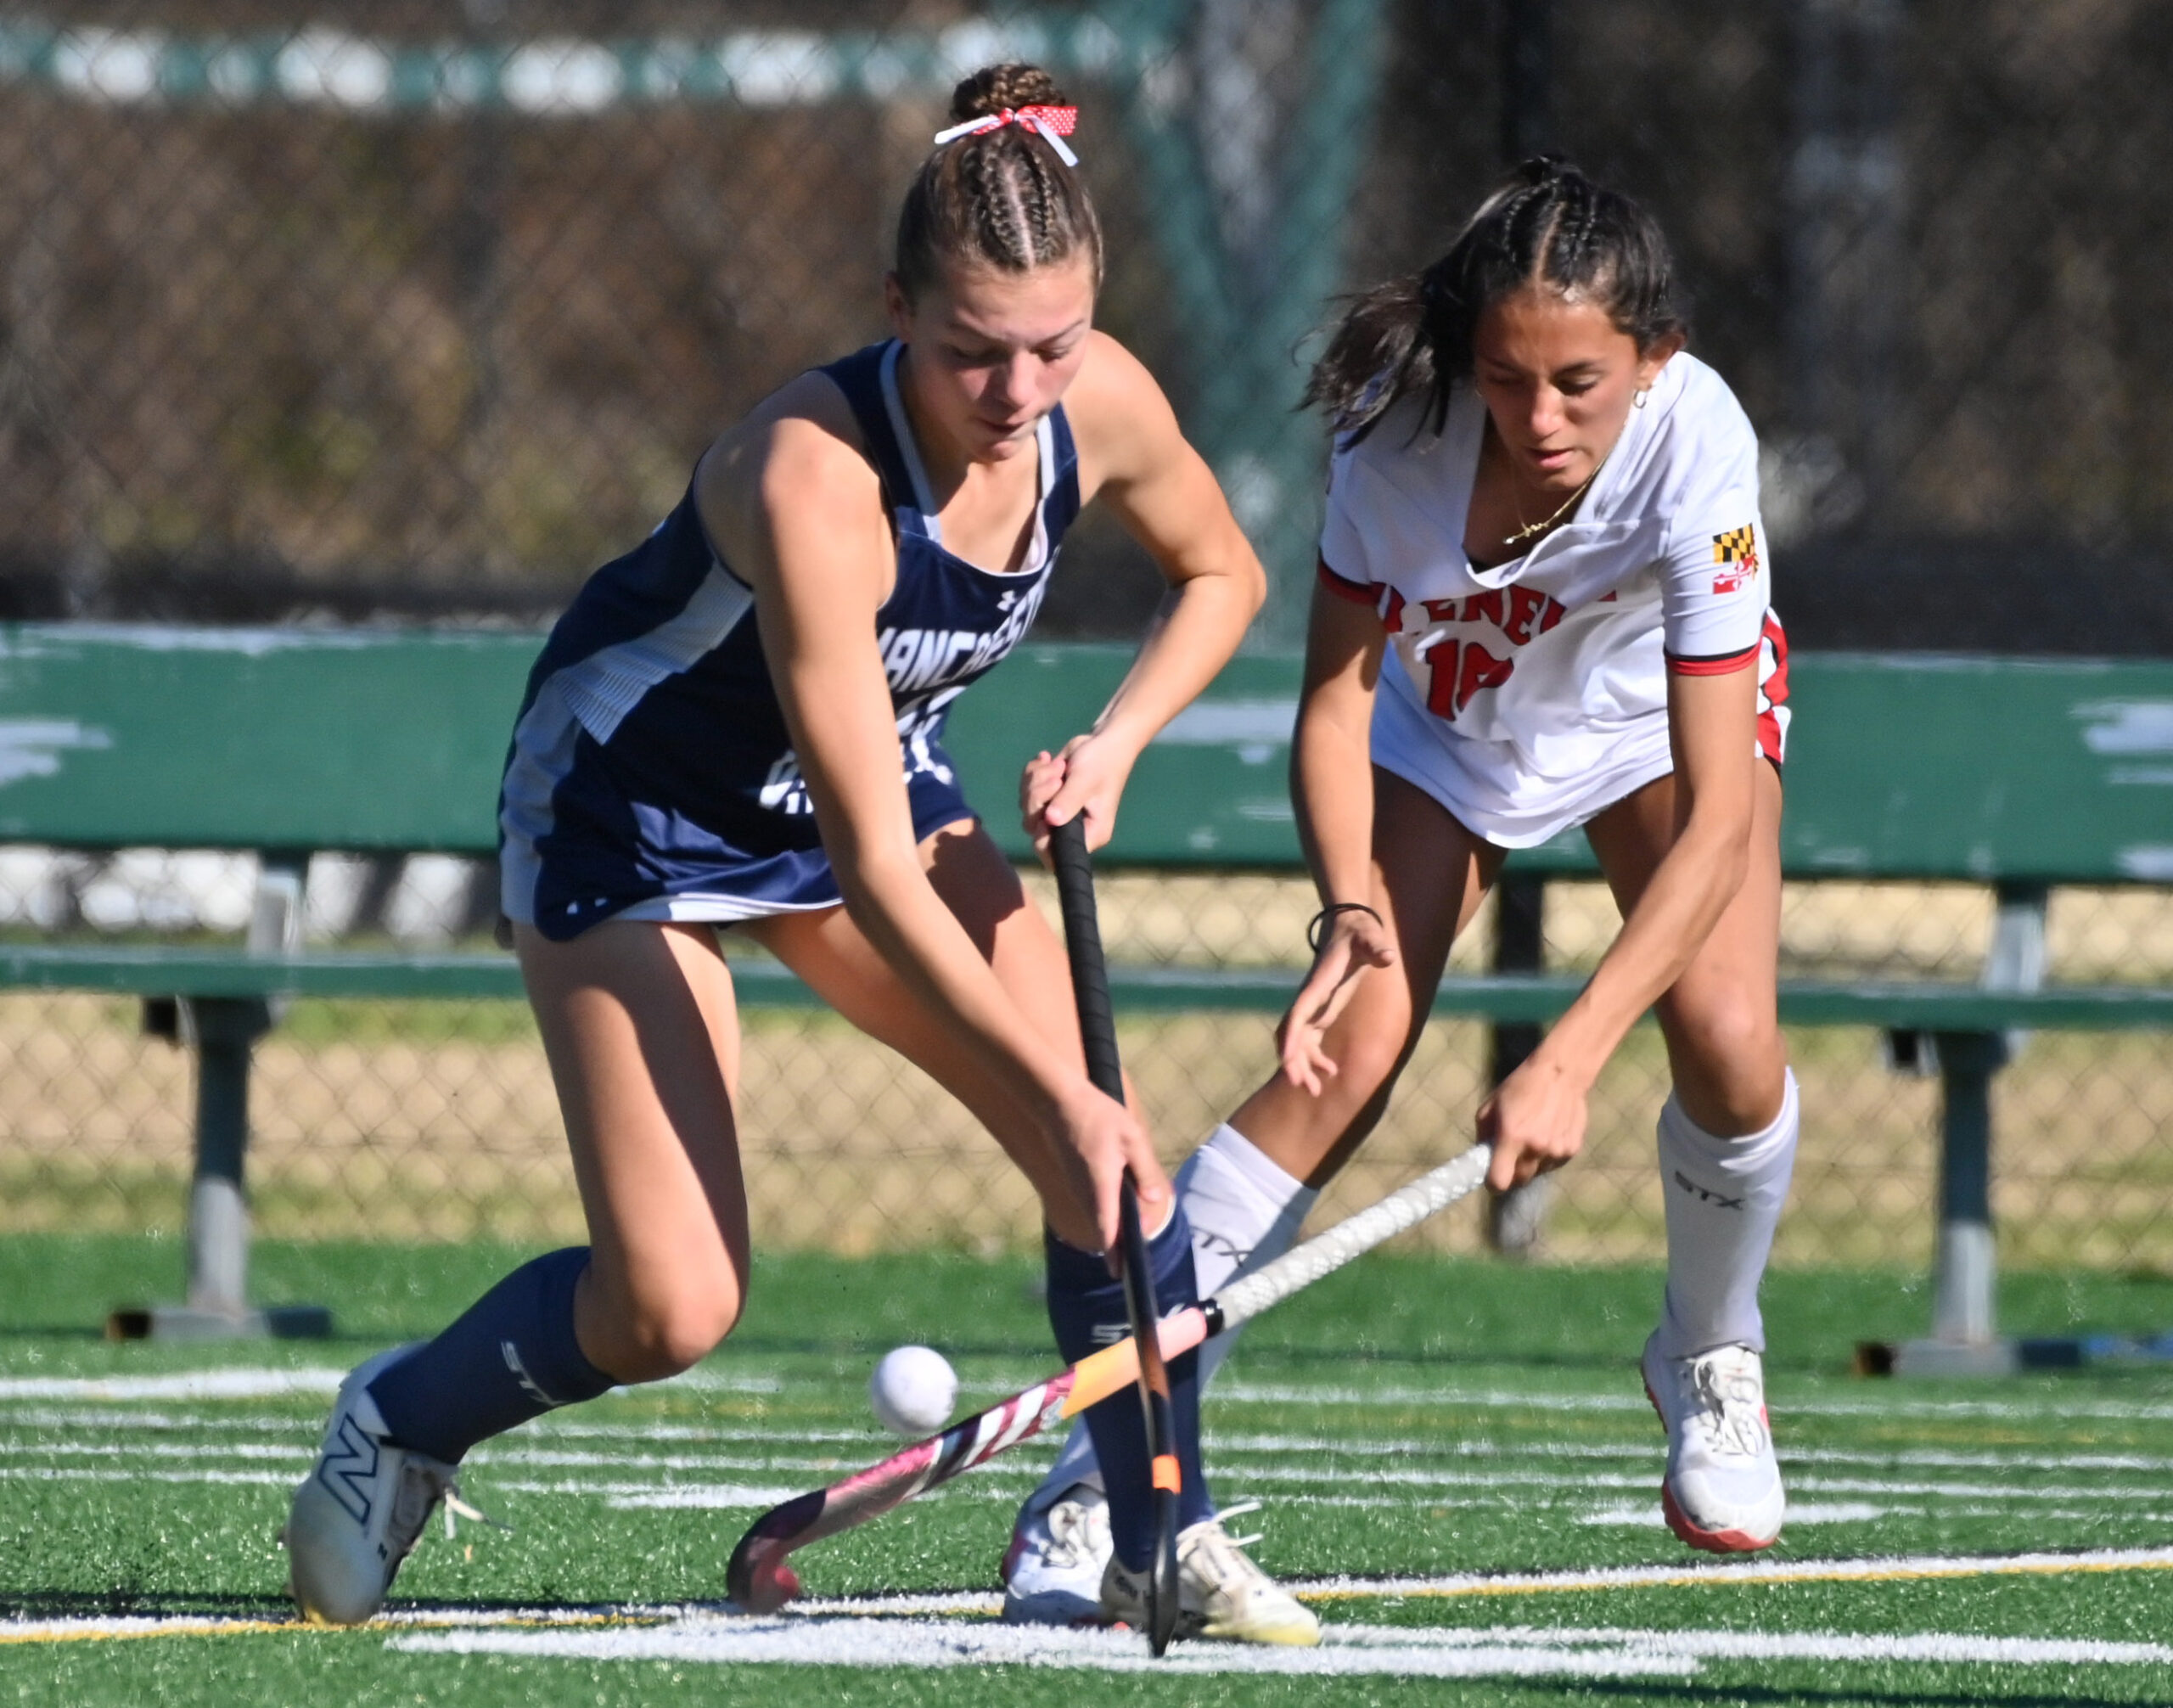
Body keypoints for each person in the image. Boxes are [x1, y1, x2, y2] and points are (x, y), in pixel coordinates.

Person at [281, 63, 1319, 1648]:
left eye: (1053, 344)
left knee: (1110, 1173)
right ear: (896, 310)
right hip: (637, 812)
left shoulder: (1093, 401)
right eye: (972, 351)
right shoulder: (812, 481)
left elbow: (1223, 572)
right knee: (672, 1304)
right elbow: (875, 870)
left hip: (859, 786)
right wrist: (1057, 1089)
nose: (1018, 391)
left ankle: (1153, 1539)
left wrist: (1114, 742)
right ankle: (403, 1420)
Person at [1002, 156, 1795, 1617]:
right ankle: (1111, 1473)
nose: (1539, 420)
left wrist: (1571, 1054)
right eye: (1508, 379)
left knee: (1733, 1044)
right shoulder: (1393, 439)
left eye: (1579, 384)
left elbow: (1720, 815)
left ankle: (1707, 1348)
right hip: (1455, 722)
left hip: (1644, 725)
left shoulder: (1700, 442)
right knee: (1342, 1059)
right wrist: (1351, 909)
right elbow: (1332, 706)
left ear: (1653, 358)